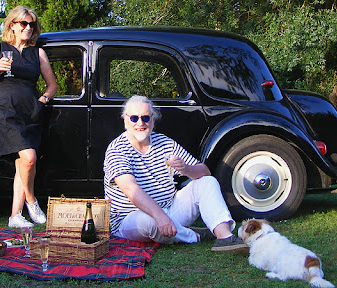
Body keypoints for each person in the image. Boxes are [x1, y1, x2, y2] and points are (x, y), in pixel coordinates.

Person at [103, 95, 248, 252]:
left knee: (208, 182)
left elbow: (204, 171)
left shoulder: (164, 142)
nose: (140, 123)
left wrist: (186, 169)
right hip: (130, 218)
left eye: (145, 117)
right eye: (134, 118)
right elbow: (130, 189)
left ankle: (224, 237)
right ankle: (195, 236)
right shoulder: (117, 149)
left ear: (152, 120)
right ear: (125, 120)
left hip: (170, 209)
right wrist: (160, 216)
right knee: (148, 222)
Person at [0, 6, 57, 228]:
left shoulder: (37, 53)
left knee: (23, 163)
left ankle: (15, 216)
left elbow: (52, 85)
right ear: (12, 25)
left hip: (31, 111)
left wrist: (43, 100)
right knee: (29, 158)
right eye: (23, 23)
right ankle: (32, 201)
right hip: (7, 111)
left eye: (31, 24)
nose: (28, 28)